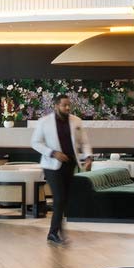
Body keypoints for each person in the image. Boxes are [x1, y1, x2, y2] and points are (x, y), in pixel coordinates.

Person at [29, 93, 89, 246]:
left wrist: (88, 157)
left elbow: (85, 142)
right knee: (60, 198)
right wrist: (53, 153)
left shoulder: (76, 121)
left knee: (64, 200)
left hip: (71, 164)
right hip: (51, 165)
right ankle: (53, 232)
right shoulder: (44, 122)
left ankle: (57, 231)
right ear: (56, 105)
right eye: (64, 105)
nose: (67, 107)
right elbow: (35, 143)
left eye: (69, 105)